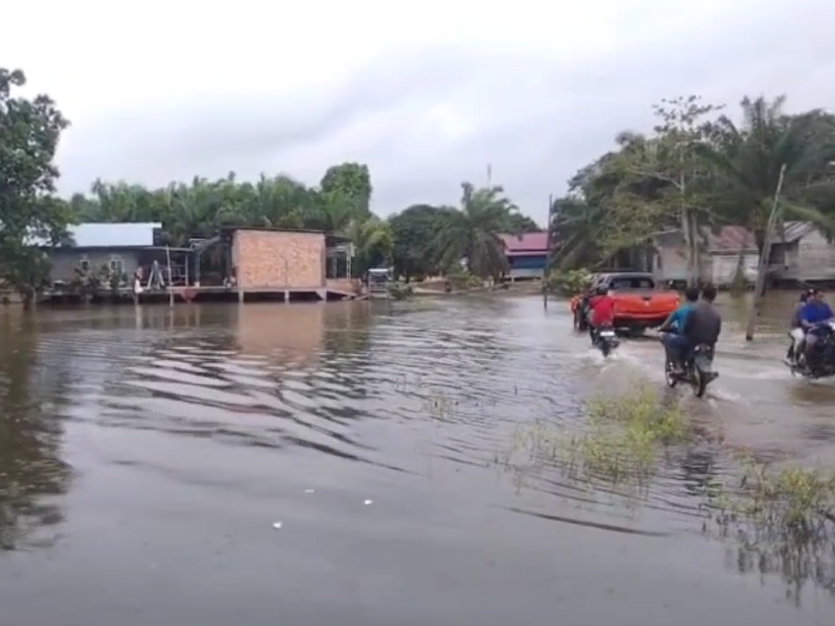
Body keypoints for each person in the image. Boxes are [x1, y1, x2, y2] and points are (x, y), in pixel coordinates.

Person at [659, 287, 700, 370]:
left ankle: (677, 365)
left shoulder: (680, 310)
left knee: (666, 338)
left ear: (685, 297)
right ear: (698, 297)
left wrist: (661, 329)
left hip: (685, 338)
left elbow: (666, 324)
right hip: (700, 339)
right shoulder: (702, 310)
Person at [681, 284, 722, 363]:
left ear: (702, 294)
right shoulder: (717, 314)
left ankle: (680, 367)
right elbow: (717, 332)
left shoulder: (694, 309)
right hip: (709, 345)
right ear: (714, 297)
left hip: (693, 343)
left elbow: (686, 327)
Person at [799, 289, 834, 366]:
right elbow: (804, 321)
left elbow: (833, 317)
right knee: (810, 343)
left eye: (823, 296)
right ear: (814, 296)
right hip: (813, 332)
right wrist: (811, 325)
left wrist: (829, 321)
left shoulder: (826, 307)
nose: (822, 298)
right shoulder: (807, 308)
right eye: (820, 296)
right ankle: (808, 364)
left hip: (826, 332)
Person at [787, 290, 811, 361]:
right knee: (801, 338)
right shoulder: (802, 306)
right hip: (796, 328)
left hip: (800, 328)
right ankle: (795, 357)